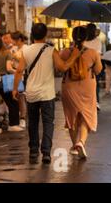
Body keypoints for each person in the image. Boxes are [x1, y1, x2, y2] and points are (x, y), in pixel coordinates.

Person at [13, 23, 80, 164]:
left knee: (33, 122)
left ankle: (33, 151)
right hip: (47, 94)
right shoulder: (51, 50)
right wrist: (74, 56)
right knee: (48, 122)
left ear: (32, 34)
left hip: (31, 93)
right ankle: (46, 153)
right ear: (45, 34)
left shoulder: (26, 51)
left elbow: (19, 71)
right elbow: (62, 67)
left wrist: (15, 89)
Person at [60, 26, 102, 160]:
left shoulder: (65, 52)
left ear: (72, 37)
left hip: (69, 86)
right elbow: (99, 70)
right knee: (86, 114)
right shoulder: (93, 53)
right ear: (85, 37)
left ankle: (74, 145)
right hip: (87, 86)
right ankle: (81, 142)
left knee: (71, 116)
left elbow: (59, 68)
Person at [0, 35, 21, 135]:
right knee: (12, 102)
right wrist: (17, 72)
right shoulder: (6, 53)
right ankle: (13, 125)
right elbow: (9, 68)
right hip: (4, 80)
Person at [11, 31, 28, 128]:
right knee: (15, 96)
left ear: (20, 40)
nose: (13, 42)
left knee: (21, 97)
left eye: (15, 40)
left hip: (22, 75)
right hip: (14, 74)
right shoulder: (14, 48)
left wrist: (16, 57)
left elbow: (25, 61)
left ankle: (23, 118)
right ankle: (18, 116)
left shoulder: (26, 48)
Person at [84, 23, 102, 111]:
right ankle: (96, 102)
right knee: (95, 85)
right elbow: (98, 54)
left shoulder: (83, 40)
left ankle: (85, 102)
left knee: (84, 85)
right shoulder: (98, 41)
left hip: (83, 66)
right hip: (94, 66)